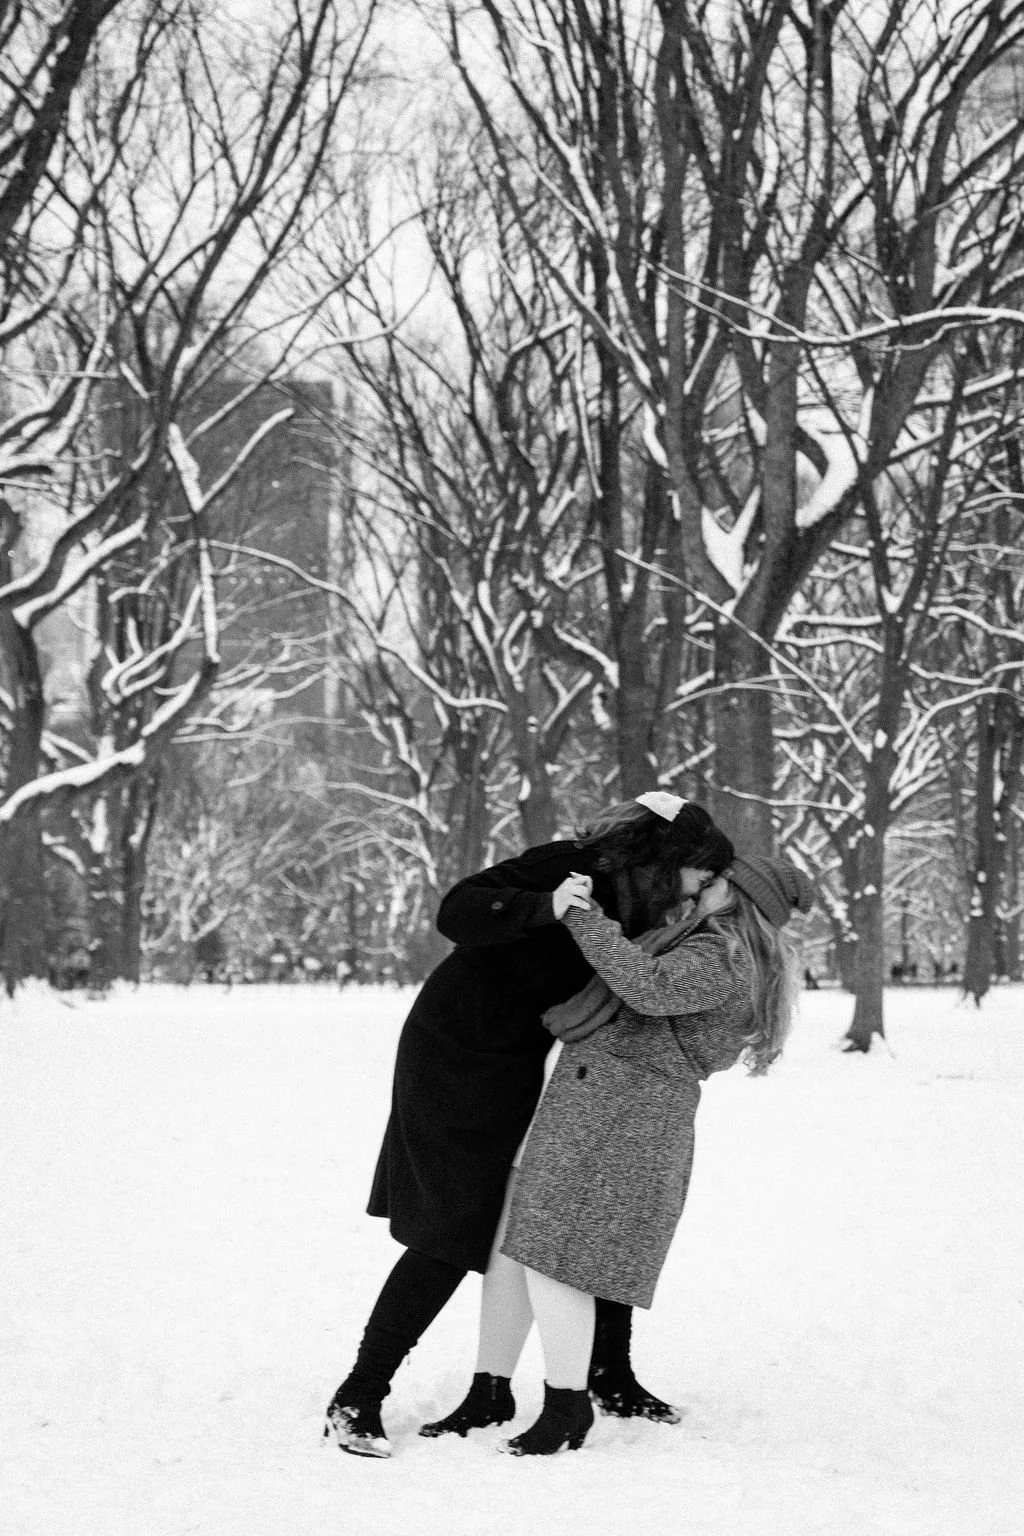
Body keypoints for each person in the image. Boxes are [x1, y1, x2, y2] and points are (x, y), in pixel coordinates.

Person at [323, 793, 735, 1457]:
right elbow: (457, 911)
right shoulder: (575, 869)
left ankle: (596, 1378)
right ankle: (357, 1395)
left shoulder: (652, 908)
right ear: (670, 858)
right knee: (454, 1225)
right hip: (457, 1048)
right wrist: (546, 907)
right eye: (701, 872)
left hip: (520, 1061)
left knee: (558, 1213)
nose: (705, 886)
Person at [425, 852, 814, 1456]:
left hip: (622, 1119)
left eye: (717, 882)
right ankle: (489, 1389)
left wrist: (584, 916)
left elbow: (647, 986)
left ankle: (566, 1408)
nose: (703, 885)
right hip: (586, 1102)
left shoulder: (723, 958)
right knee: (513, 1247)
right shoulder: (694, 940)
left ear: (739, 898)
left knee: (557, 1260)